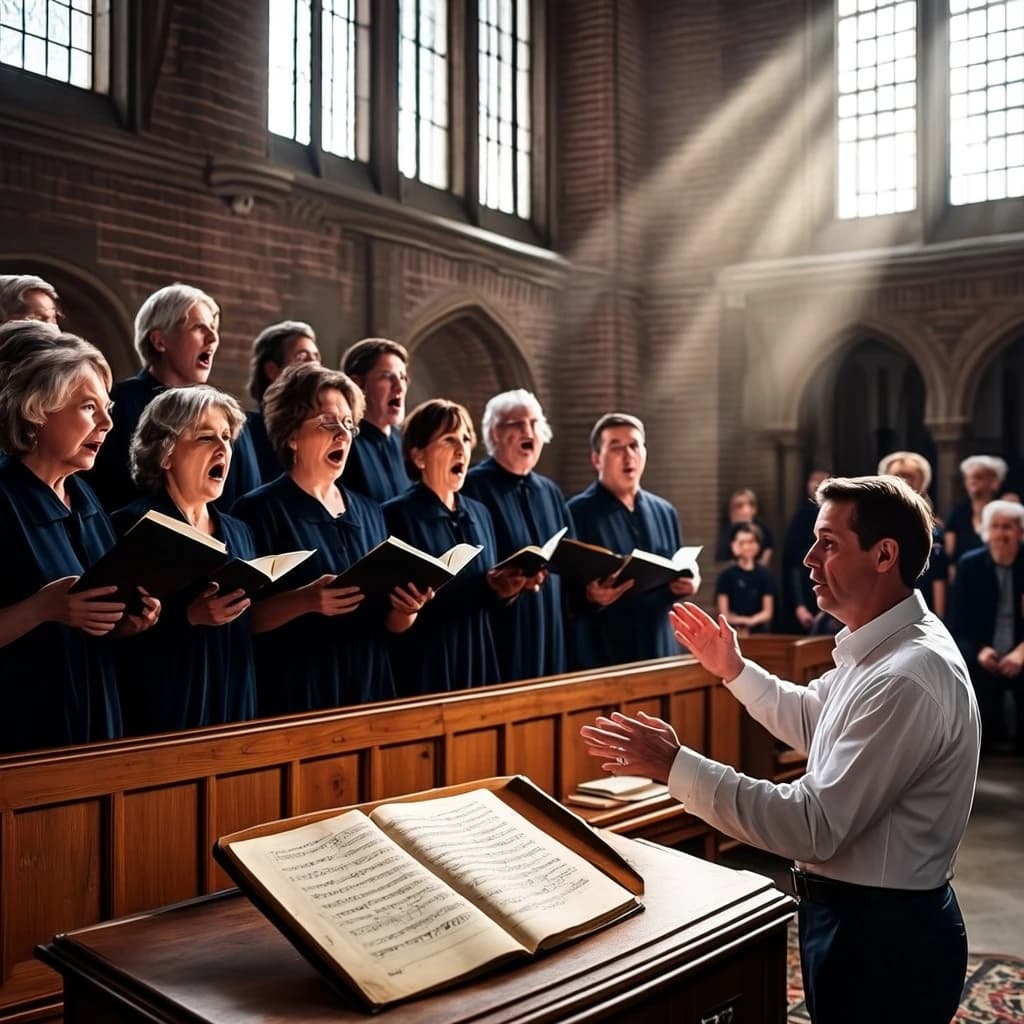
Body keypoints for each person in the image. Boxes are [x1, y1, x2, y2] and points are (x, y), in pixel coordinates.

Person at [581, 475, 981, 1024]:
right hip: (856, 918)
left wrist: (675, 766)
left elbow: (811, 825)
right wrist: (735, 671)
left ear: (884, 554)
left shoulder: (907, 675)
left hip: (885, 935)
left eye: (829, 543)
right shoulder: (883, 649)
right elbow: (816, 720)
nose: (809, 559)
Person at [233, 363, 424, 713]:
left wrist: (406, 611)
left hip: (371, 687)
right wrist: (306, 600)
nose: (343, 434)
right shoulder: (258, 510)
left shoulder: (371, 511)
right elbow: (242, 621)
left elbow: (390, 627)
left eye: (349, 424)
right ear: (291, 434)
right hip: (299, 693)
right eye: (328, 422)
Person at [0, 335, 160, 753]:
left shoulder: (85, 497)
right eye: (89, 407)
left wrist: (127, 622)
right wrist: (41, 608)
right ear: (37, 410)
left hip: (98, 719)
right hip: (24, 732)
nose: (107, 423)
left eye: (107, 408)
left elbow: (94, 612)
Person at [111, 386, 258, 735]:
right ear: (165, 453)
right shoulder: (132, 525)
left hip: (236, 700)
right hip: (167, 710)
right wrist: (187, 617)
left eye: (226, 437)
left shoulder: (240, 531)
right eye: (206, 437)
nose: (223, 447)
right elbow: (112, 641)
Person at [382, 399, 531, 696]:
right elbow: (388, 614)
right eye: (449, 440)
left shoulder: (480, 513)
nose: (462, 449)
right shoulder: (395, 515)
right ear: (419, 456)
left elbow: (484, 594)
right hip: (426, 664)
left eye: (465, 438)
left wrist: (504, 589)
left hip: (479, 657)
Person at [87, 283, 260, 511]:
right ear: (159, 341)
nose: (212, 338)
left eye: (213, 328)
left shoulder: (227, 416)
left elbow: (247, 502)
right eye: (199, 327)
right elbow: (105, 492)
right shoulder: (118, 405)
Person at [567, 413, 699, 669]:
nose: (628, 455)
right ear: (596, 459)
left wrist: (688, 583)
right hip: (603, 653)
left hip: (660, 649)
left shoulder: (665, 511)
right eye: (616, 447)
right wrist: (590, 597)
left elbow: (675, 570)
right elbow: (564, 592)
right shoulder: (575, 512)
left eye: (634, 445)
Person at [463, 390, 573, 680]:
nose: (529, 431)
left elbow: (567, 558)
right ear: (495, 433)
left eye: (535, 423)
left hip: (550, 629)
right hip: (503, 629)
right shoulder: (472, 487)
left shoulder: (550, 491)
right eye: (517, 424)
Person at [950, 499, 1024, 754]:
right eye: (995, 527)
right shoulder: (969, 565)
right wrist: (981, 650)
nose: (1001, 534)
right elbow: (958, 622)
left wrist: (1020, 653)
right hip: (982, 650)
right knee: (985, 733)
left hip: (1021, 648)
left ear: (1020, 532)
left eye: (1008, 527)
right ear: (986, 530)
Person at [245, 320, 321, 482]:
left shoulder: (321, 430)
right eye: (301, 357)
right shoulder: (247, 431)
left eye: (316, 357)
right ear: (272, 370)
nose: (314, 365)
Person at [340, 337, 412, 502]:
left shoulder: (406, 442)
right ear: (356, 384)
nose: (399, 387)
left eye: (402, 378)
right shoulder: (343, 442)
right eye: (387, 377)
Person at [878, 450, 948, 618]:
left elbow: (939, 575)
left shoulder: (934, 528)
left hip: (922, 602)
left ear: (922, 481)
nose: (905, 481)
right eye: (899, 475)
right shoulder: (875, 522)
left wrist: (939, 616)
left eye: (910, 476)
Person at [782, 469, 831, 633]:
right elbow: (793, 564)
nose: (817, 485)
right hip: (804, 586)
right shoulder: (801, 518)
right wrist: (799, 606)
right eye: (814, 481)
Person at [945, 455, 1007, 569]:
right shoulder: (958, 513)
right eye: (968, 477)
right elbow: (950, 556)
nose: (972, 481)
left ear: (995, 482)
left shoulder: (1005, 513)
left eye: (978, 477)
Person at [715, 522, 775, 636]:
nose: (747, 547)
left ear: (758, 545)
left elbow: (768, 612)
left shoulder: (765, 575)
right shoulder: (725, 576)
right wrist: (740, 621)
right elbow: (723, 613)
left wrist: (751, 621)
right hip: (733, 632)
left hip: (760, 633)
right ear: (734, 545)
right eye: (742, 543)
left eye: (751, 542)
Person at [714, 488, 774, 566]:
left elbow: (767, 553)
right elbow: (722, 557)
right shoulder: (728, 530)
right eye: (738, 506)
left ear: (754, 509)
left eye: (749, 505)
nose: (743, 510)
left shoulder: (763, 529)